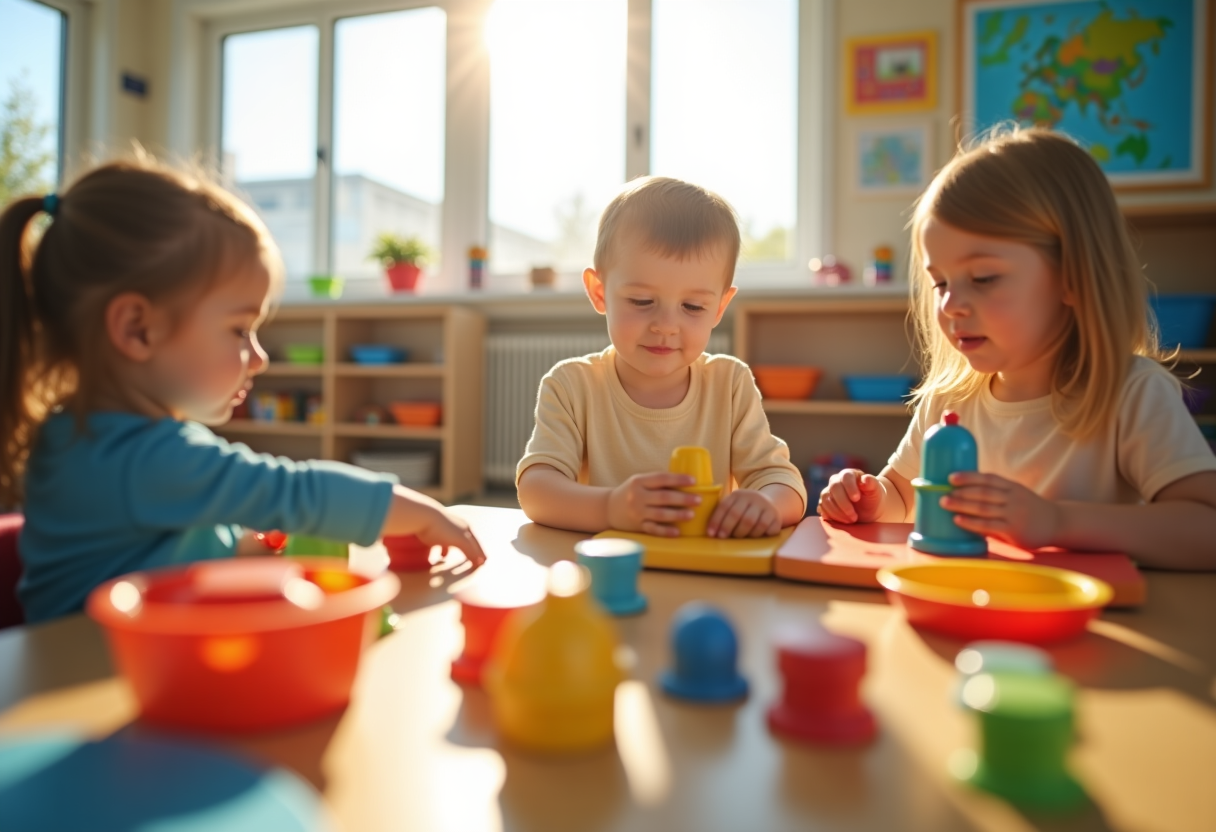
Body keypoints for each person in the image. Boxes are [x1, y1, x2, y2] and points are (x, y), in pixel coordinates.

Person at [0, 155, 485, 623]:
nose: (260, 357)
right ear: (138, 329)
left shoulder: (80, 438)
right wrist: (421, 512)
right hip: (91, 685)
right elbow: (296, 491)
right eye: (239, 330)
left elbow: (164, 551)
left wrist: (246, 541)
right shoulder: (144, 456)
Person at [817, 128, 1216, 570]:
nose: (950, 304)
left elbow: (1205, 528)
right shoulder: (949, 401)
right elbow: (904, 492)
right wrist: (871, 498)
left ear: (1072, 276)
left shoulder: (1132, 394)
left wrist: (1058, 521)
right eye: (941, 283)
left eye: (984, 278)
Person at [516, 176, 807, 538]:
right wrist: (610, 508)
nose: (666, 326)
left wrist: (767, 504)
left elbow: (783, 482)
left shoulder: (730, 384)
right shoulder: (571, 385)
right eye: (642, 302)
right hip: (608, 573)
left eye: (692, 306)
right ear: (599, 292)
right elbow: (536, 490)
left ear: (719, 307)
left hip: (703, 567)